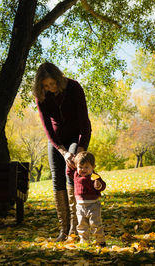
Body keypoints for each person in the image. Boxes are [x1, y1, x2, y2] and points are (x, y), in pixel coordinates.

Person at [33, 62, 92, 241]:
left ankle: (75, 227)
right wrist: (63, 151)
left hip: (76, 137)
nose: (51, 88)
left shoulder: (73, 87)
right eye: (46, 86)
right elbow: (47, 129)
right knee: (57, 178)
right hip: (57, 141)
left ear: (59, 78)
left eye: (53, 84)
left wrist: (80, 149)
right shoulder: (41, 96)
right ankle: (64, 229)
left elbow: (84, 122)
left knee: (71, 172)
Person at [66, 151, 106, 246]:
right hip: (80, 206)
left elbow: (103, 186)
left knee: (95, 224)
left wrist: (99, 186)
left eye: (86, 167)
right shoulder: (76, 175)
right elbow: (68, 171)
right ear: (76, 166)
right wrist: (71, 162)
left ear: (93, 167)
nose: (83, 169)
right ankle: (84, 241)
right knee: (81, 225)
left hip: (93, 205)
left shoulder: (94, 176)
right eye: (80, 167)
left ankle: (100, 241)